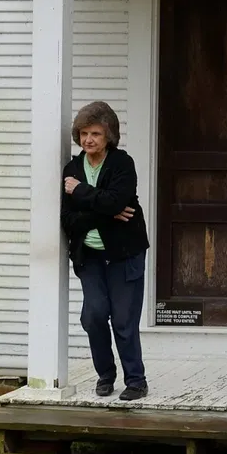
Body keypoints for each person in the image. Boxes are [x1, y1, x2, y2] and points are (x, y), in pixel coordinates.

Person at [60, 101, 150, 400]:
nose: (89, 140)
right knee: (94, 316)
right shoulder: (72, 169)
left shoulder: (122, 164)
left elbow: (117, 201)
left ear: (108, 135)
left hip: (125, 254)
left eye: (96, 133)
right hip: (91, 257)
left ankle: (136, 381)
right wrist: (106, 209)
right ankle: (105, 375)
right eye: (84, 133)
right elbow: (69, 219)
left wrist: (82, 193)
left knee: (124, 320)